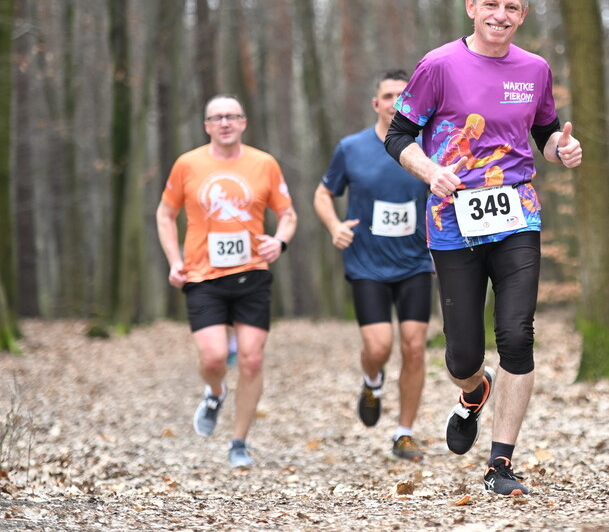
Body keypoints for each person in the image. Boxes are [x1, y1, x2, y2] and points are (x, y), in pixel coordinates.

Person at [384, 0, 582, 497]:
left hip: (517, 213)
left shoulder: (535, 69)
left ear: (523, 15)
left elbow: (542, 129)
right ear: (471, 7)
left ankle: (501, 463)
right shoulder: (439, 65)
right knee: (463, 356)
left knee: (517, 334)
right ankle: (474, 393)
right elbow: (398, 134)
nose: (501, 16)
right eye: (492, 5)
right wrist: (430, 171)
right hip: (452, 220)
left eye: (512, 8)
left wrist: (559, 149)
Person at [155, 94, 298, 469]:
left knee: (251, 360)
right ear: (207, 126)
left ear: (243, 122)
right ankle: (215, 391)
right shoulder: (187, 164)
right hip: (203, 275)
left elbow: (288, 215)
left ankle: (239, 442)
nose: (225, 123)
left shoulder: (263, 163)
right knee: (214, 356)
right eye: (217, 117)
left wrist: (279, 242)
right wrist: (174, 261)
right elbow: (165, 214)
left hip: (251, 273)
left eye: (232, 116)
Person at [313, 69, 434, 463]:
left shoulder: (426, 146)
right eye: (388, 95)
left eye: (403, 95)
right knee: (379, 346)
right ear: (376, 103)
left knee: (414, 347)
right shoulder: (351, 147)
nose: (396, 101)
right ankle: (371, 381)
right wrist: (334, 226)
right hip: (367, 262)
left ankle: (404, 433)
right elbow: (323, 193)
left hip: (416, 261)